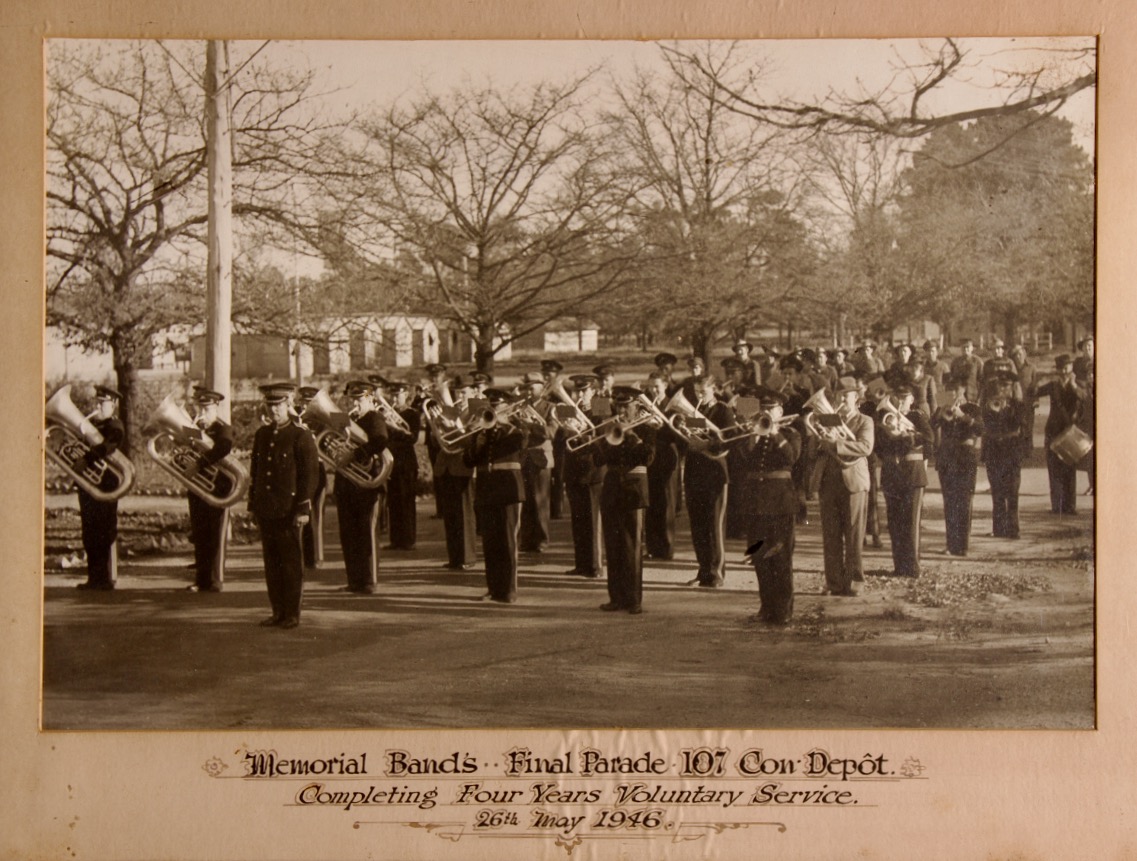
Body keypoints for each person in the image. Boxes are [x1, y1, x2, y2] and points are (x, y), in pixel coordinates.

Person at [248, 383, 319, 629]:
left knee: (290, 564)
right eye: (270, 405)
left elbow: (309, 476)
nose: (274, 411)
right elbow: (256, 472)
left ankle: (292, 613)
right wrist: (253, 505)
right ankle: (277, 611)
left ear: (289, 405)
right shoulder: (262, 435)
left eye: (278, 405)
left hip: (289, 509)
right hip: (267, 508)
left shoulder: (301, 435)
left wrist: (303, 509)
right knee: (272, 563)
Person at [736, 386, 802, 624]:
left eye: (770, 409)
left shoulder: (791, 433)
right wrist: (753, 435)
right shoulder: (753, 435)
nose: (765, 412)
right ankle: (767, 607)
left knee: (781, 557)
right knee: (760, 557)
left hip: (780, 502)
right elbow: (742, 460)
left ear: (780, 411)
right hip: (755, 502)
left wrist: (775, 433)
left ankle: (783, 611)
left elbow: (791, 458)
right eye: (762, 409)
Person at [809, 377, 875, 596]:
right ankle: (834, 582)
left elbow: (865, 447)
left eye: (846, 396)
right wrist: (818, 438)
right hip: (828, 481)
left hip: (853, 482)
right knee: (831, 535)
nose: (841, 400)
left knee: (854, 534)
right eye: (838, 396)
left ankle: (855, 580)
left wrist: (835, 443)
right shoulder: (826, 419)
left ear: (856, 398)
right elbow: (812, 451)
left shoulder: (865, 421)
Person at [594, 386, 656, 614]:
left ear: (636, 406)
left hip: (634, 489)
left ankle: (633, 600)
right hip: (612, 489)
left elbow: (648, 457)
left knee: (631, 546)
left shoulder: (647, 429)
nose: (621, 409)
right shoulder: (609, 428)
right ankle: (616, 597)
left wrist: (630, 435)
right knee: (613, 546)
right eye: (618, 405)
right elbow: (599, 461)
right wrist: (600, 438)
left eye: (626, 405)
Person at [463, 388, 527, 603]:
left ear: (507, 407)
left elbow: (517, 444)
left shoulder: (515, 429)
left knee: (507, 543)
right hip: (487, 489)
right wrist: (473, 437)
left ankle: (508, 591)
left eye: (497, 406)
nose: (493, 409)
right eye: (491, 405)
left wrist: (496, 427)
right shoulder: (483, 432)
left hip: (508, 490)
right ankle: (493, 589)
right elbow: (469, 461)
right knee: (490, 544)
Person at [335, 380, 390, 594]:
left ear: (370, 398)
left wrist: (355, 454)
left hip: (366, 481)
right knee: (348, 534)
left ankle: (368, 581)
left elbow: (380, 440)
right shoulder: (347, 419)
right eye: (352, 399)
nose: (355, 403)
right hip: (347, 483)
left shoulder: (374, 417)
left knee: (366, 532)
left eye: (360, 399)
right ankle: (354, 580)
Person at [679, 376, 735, 587]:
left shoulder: (723, 410)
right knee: (698, 526)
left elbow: (728, 439)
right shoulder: (692, 410)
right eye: (696, 391)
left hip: (715, 474)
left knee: (714, 525)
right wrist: (687, 439)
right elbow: (683, 437)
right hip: (694, 473)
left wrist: (705, 445)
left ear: (714, 389)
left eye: (703, 391)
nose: (699, 396)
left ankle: (716, 572)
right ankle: (703, 571)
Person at [875, 383, 933, 577]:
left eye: (904, 398)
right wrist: (890, 435)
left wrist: (905, 436)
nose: (900, 401)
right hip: (892, 473)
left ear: (912, 400)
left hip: (912, 474)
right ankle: (899, 566)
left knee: (911, 523)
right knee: (894, 523)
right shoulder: (885, 418)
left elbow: (929, 439)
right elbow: (878, 446)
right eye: (897, 398)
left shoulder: (918, 417)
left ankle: (913, 567)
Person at [74, 385, 127, 591]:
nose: (97, 405)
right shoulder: (90, 424)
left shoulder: (115, 425)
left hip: (105, 484)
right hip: (88, 484)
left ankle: (105, 578)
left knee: (104, 531)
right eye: (96, 401)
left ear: (112, 405)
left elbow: (109, 446)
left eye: (102, 403)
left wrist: (86, 459)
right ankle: (94, 578)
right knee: (89, 531)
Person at [184, 387, 235, 593]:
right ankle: (202, 579)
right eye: (200, 408)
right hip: (198, 486)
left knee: (215, 534)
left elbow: (223, 448)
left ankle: (216, 580)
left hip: (218, 488)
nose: (202, 413)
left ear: (215, 408)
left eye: (207, 408)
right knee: (200, 533)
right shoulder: (194, 428)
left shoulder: (223, 429)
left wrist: (200, 463)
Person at [932, 378, 984, 555]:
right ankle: (950, 544)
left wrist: (963, 416)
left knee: (964, 502)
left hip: (965, 459)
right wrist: (939, 415)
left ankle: (962, 546)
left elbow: (981, 429)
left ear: (963, 392)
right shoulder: (942, 408)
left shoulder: (973, 408)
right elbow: (931, 426)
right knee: (949, 502)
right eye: (949, 392)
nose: (953, 396)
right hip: (947, 458)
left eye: (956, 392)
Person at [431, 376, 478, 571]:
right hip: (446, 466)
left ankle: (467, 557)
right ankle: (455, 557)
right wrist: (436, 425)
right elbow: (439, 442)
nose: (460, 396)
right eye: (457, 392)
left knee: (464, 515)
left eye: (464, 392)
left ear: (473, 393)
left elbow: (471, 441)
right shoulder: (449, 411)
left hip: (463, 466)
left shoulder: (477, 411)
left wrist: (454, 428)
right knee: (450, 516)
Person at [562, 374, 605, 577]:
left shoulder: (601, 406)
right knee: (578, 520)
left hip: (592, 471)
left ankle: (595, 566)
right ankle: (581, 564)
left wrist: (581, 433)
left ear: (593, 391)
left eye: (584, 390)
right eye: (577, 391)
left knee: (593, 521)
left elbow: (603, 435)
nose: (580, 394)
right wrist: (567, 431)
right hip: (573, 470)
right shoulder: (571, 409)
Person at [1036, 354, 1088, 515]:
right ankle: (1057, 506)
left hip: (1070, 432)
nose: (1065, 369)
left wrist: (1072, 385)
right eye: (1062, 367)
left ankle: (1070, 506)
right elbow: (1036, 391)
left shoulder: (1078, 383)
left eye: (1068, 366)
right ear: (1058, 369)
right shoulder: (1053, 385)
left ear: (1072, 367)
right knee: (1054, 469)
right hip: (1054, 430)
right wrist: (1040, 380)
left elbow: (1084, 397)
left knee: (1069, 469)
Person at [981, 372, 1028, 538]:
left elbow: (1019, 424)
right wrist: (993, 409)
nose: (1002, 389)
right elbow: (984, 424)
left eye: (1006, 386)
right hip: (994, 450)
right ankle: (999, 529)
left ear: (1013, 388)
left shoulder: (1018, 405)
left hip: (1011, 451)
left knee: (1012, 491)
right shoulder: (989, 404)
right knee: (997, 491)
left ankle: (1014, 529)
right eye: (1000, 386)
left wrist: (1005, 409)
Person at [643, 372, 680, 560]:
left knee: (666, 504)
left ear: (665, 385)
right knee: (650, 503)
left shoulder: (673, 405)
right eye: (650, 386)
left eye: (657, 386)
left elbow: (679, 436)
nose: (653, 390)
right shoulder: (646, 405)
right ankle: (652, 546)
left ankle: (666, 547)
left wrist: (661, 428)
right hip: (650, 459)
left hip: (667, 458)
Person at [383, 380, 422, 551]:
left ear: (406, 395)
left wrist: (394, 427)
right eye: (391, 394)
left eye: (397, 395)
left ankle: (408, 539)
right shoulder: (387, 413)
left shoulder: (412, 414)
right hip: (392, 462)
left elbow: (412, 438)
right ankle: (396, 540)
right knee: (393, 501)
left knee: (406, 502)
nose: (394, 398)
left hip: (406, 463)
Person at [517, 374, 553, 554]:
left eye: (533, 387)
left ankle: (542, 540)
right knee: (527, 501)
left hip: (541, 458)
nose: (529, 391)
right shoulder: (523, 407)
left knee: (540, 501)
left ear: (542, 388)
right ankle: (527, 540)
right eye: (528, 387)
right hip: (525, 458)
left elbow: (551, 433)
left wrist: (531, 425)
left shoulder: (550, 407)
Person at [294, 386, 329, 568]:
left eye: (309, 403)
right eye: (303, 403)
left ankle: (316, 557)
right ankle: (302, 557)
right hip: (298, 473)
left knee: (315, 516)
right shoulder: (295, 421)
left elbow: (332, 441)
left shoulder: (322, 421)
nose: (305, 406)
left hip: (317, 469)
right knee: (301, 515)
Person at [540, 359, 567, 520]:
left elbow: (568, 416)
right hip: (545, 438)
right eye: (544, 374)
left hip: (560, 439)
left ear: (556, 376)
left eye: (549, 375)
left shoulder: (564, 393)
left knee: (559, 474)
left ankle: (556, 510)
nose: (546, 378)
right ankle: (547, 507)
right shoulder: (541, 392)